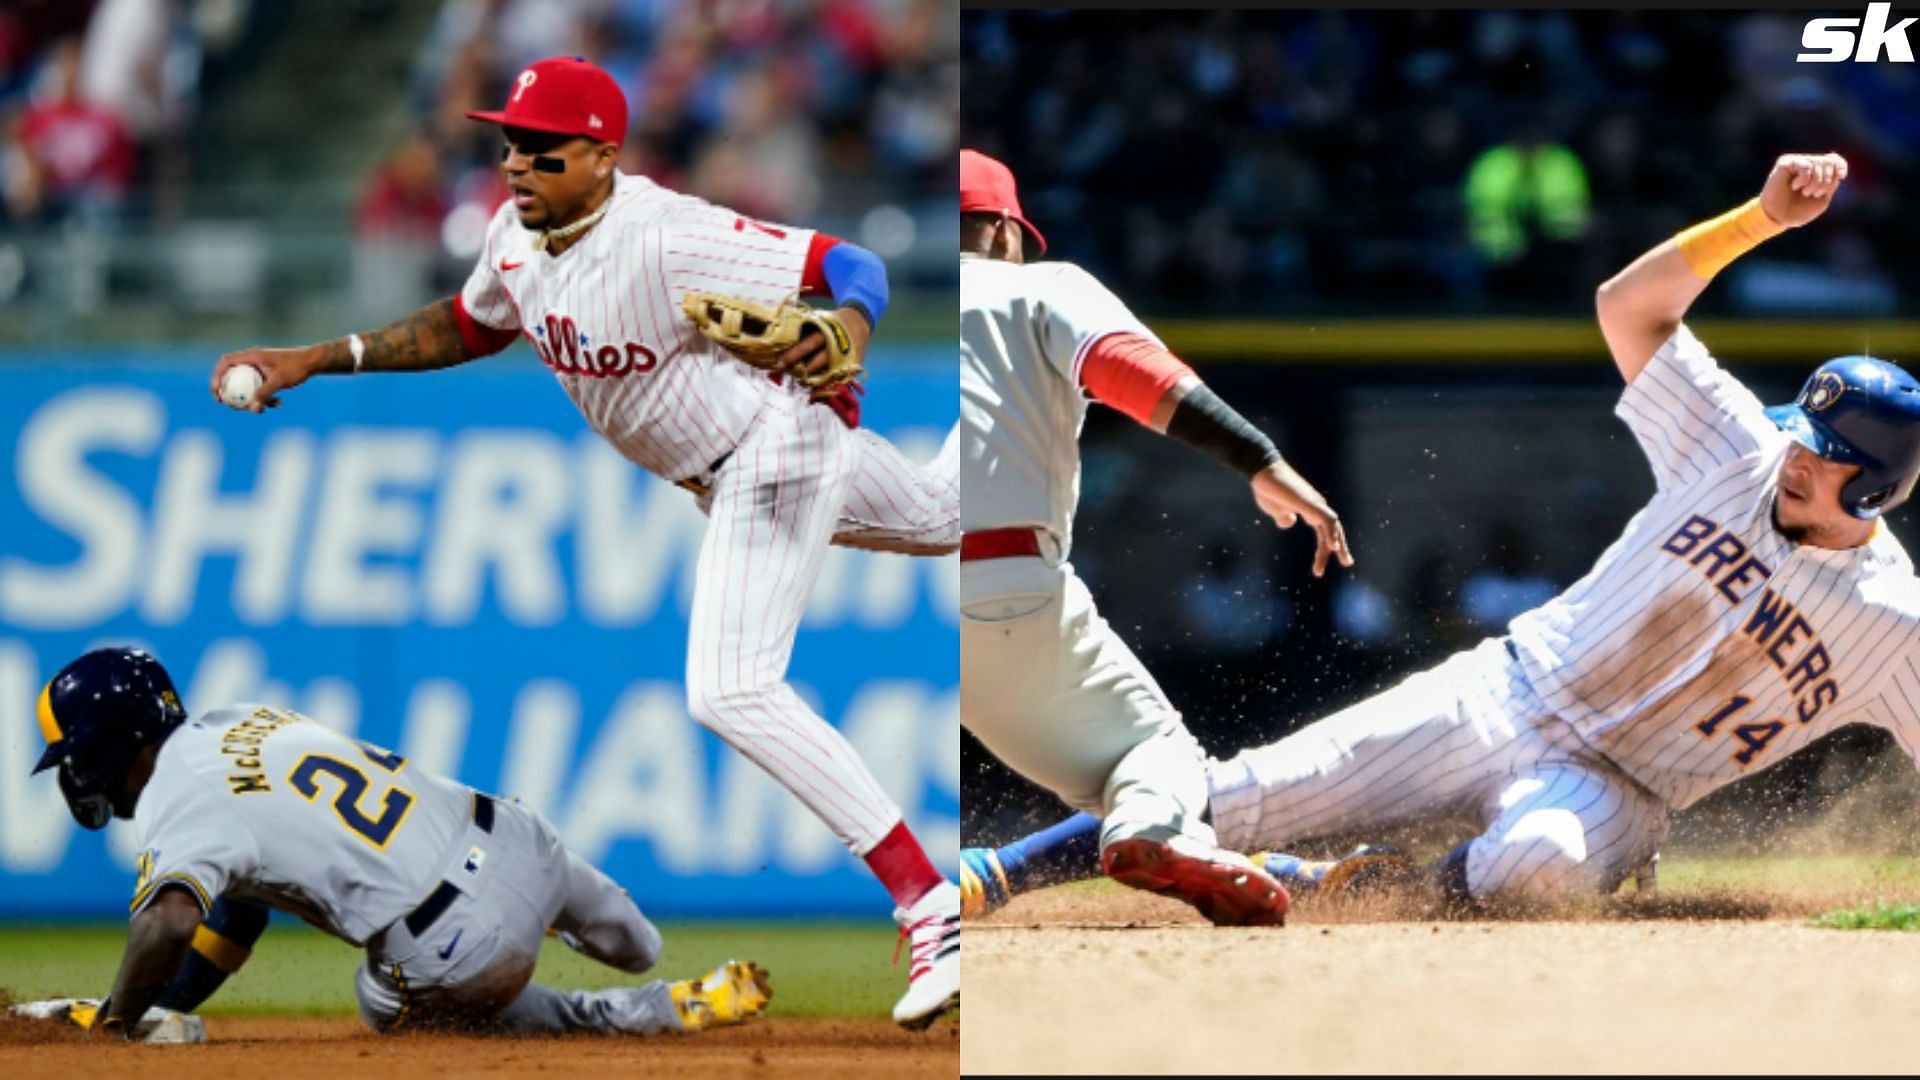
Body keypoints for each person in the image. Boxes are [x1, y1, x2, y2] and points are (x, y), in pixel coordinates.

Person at [963, 152, 1920, 916]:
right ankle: (998, 874)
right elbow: (1629, 307)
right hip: (1508, 690)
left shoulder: (1894, 620)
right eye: (1802, 429)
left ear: (1871, 486)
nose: (1796, 454)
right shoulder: (1737, 450)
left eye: (1826, 451)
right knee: (1236, 793)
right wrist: (1759, 221)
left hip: (1617, 789)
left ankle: (1371, 889)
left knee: (1530, 872)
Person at [208, 57, 959, 1028]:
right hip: (729, 464)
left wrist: (847, 329)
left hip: (771, 445)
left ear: (603, 154)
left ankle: (930, 903)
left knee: (729, 689)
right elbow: (473, 327)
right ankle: (1011, 377)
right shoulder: (514, 237)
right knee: (944, 520)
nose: (517, 162)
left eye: (543, 148)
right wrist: (318, 357)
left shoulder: (663, 233)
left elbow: (855, 267)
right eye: (509, 141)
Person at [958, 148, 1353, 927]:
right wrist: (1260, 460)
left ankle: (984, 878)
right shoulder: (1041, 284)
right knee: (1158, 763)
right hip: (1006, 587)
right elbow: (1132, 371)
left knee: (1116, 783)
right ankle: (1150, 829)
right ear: (1004, 229)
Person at [29, 646, 771, 1038]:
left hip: (459, 945)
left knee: (381, 1006)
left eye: (75, 757)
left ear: (104, 745)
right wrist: (177, 1002)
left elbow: (171, 921)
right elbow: (240, 910)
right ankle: (644, 951)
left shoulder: (174, 798)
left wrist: (120, 1020)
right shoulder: (235, 717)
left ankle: (654, 1012)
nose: (76, 775)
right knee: (635, 943)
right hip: (522, 839)